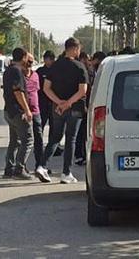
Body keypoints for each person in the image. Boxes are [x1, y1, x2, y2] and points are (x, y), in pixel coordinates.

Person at [42, 37, 89, 184]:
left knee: (55, 137)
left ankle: (41, 166)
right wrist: (68, 103)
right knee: (71, 139)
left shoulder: (55, 66)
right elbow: (83, 91)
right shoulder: (80, 67)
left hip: (57, 108)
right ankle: (66, 172)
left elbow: (46, 88)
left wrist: (59, 103)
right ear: (75, 49)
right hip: (75, 108)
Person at [2, 47, 34, 180]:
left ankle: (9, 169)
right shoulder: (16, 71)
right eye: (27, 57)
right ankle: (19, 169)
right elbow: (18, 92)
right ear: (23, 57)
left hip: (8, 110)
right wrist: (26, 110)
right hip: (17, 111)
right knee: (28, 140)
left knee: (14, 141)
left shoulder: (8, 70)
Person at [22, 52, 51, 183]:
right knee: (24, 140)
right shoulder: (19, 76)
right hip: (23, 113)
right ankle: (19, 167)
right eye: (28, 61)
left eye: (32, 62)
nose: (30, 64)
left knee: (39, 139)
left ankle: (40, 165)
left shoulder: (35, 75)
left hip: (37, 111)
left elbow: (37, 92)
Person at [74, 51, 93, 166]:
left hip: (86, 105)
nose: (87, 62)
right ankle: (80, 154)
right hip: (81, 106)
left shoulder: (87, 71)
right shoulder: (81, 72)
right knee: (80, 133)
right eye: (86, 59)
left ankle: (81, 154)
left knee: (83, 133)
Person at [36, 50, 56, 131]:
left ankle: (51, 143)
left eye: (50, 59)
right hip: (42, 101)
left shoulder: (56, 70)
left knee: (53, 125)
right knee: (41, 124)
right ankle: (39, 142)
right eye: (46, 59)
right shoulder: (40, 71)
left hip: (53, 101)